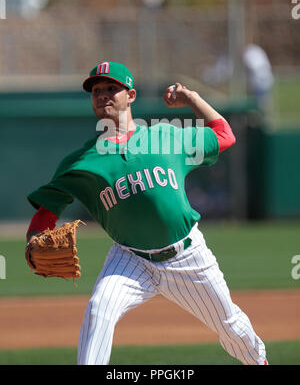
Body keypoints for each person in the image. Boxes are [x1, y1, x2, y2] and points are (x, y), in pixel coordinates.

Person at [26, 61, 268, 365]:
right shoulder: (80, 163)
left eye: (112, 88)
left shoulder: (167, 136)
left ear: (131, 95)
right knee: (99, 308)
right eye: (97, 90)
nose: (103, 95)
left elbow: (224, 134)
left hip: (188, 256)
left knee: (230, 325)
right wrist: (33, 239)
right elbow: (46, 214)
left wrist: (191, 97)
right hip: (130, 259)